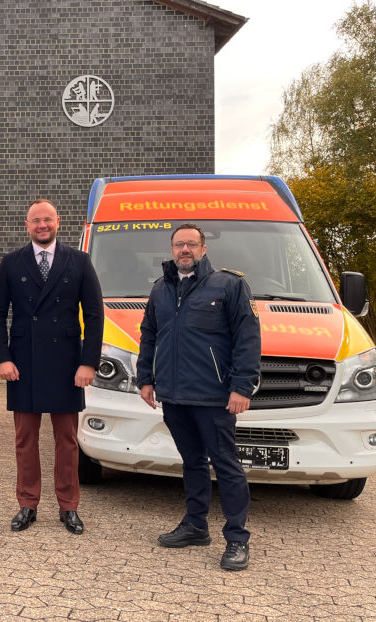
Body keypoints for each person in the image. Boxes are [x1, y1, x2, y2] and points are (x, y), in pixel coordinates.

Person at [135, 223, 261, 571]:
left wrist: (241, 387)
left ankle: (237, 538)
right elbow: (149, 335)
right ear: (171, 250)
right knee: (192, 462)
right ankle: (195, 526)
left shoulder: (229, 285)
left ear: (204, 249)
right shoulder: (161, 289)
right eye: (179, 244)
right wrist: (145, 379)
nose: (185, 250)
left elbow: (247, 338)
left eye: (191, 244)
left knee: (226, 464)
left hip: (213, 396)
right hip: (174, 396)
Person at [0, 198, 103, 534]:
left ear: (58, 222)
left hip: (67, 363)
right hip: (24, 362)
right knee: (25, 440)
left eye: (47, 219)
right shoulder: (11, 262)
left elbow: (94, 315)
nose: (42, 225)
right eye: (36, 220)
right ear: (27, 225)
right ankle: (27, 503)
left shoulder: (79, 261)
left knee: (67, 440)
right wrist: (3, 358)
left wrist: (88, 363)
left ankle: (69, 506)